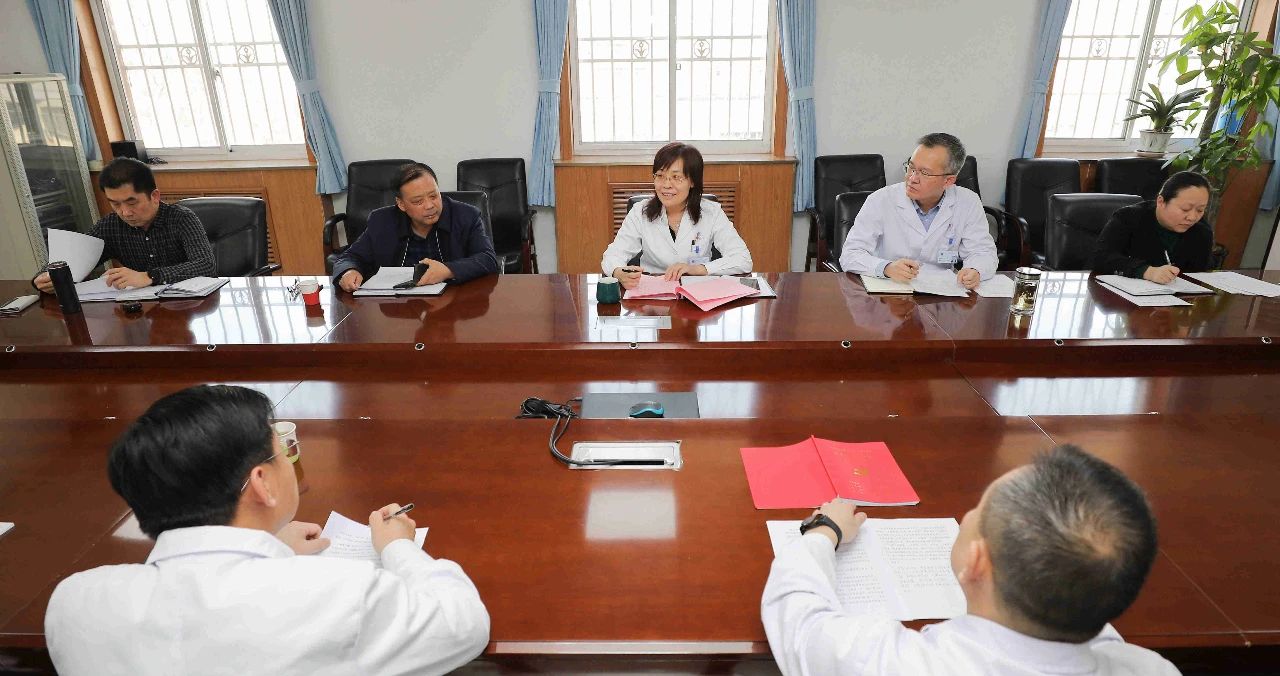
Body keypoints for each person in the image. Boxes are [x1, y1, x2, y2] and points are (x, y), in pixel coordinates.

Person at [45, 385, 490, 675]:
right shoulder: (336, 592)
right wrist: (397, 549)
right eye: (282, 453)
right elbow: (465, 623)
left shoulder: (74, 603)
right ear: (262, 482)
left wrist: (270, 545)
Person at [762, 444, 1179, 675]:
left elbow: (798, 616)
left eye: (979, 509)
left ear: (976, 563)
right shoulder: (1152, 670)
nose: (965, 515)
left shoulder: (893, 664)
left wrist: (825, 531)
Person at [839, 133, 998, 290]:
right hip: (889, 290)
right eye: (911, 167)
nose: (912, 178)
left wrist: (976, 270)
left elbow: (983, 252)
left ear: (948, 181)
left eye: (925, 173)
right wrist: (886, 267)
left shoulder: (968, 202)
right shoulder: (881, 200)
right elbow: (850, 254)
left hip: (942, 292)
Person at [32, 157, 214, 292]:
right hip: (140, 309)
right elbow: (72, 258)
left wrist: (149, 276)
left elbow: (205, 265)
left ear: (154, 196)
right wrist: (45, 278)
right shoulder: (111, 225)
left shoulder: (181, 218)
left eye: (132, 202)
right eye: (115, 204)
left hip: (188, 304)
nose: (125, 212)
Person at [601, 142, 752, 288]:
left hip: (697, 291)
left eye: (676, 177)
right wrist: (618, 272)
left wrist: (698, 269)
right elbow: (613, 255)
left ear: (692, 181)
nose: (666, 185)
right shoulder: (640, 212)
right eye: (660, 175)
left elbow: (743, 259)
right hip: (652, 294)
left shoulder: (711, 212)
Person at [332, 162, 499, 292]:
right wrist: (349, 271)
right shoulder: (382, 221)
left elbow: (488, 259)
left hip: (453, 302)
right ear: (401, 204)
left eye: (434, 196)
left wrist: (449, 270)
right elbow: (350, 257)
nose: (430, 206)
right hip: (400, 308)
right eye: (418, 201)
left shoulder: (466, 216)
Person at [1091, 171, 1213, 283]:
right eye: (1185, 209)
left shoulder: (1201, 231)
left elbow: (1197, 275)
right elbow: (1101, 258)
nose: (1192, 217)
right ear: (1161, 201)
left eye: (1200, 210)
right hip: (1123, 294)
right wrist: (1147, 271)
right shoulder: (1128, 218)